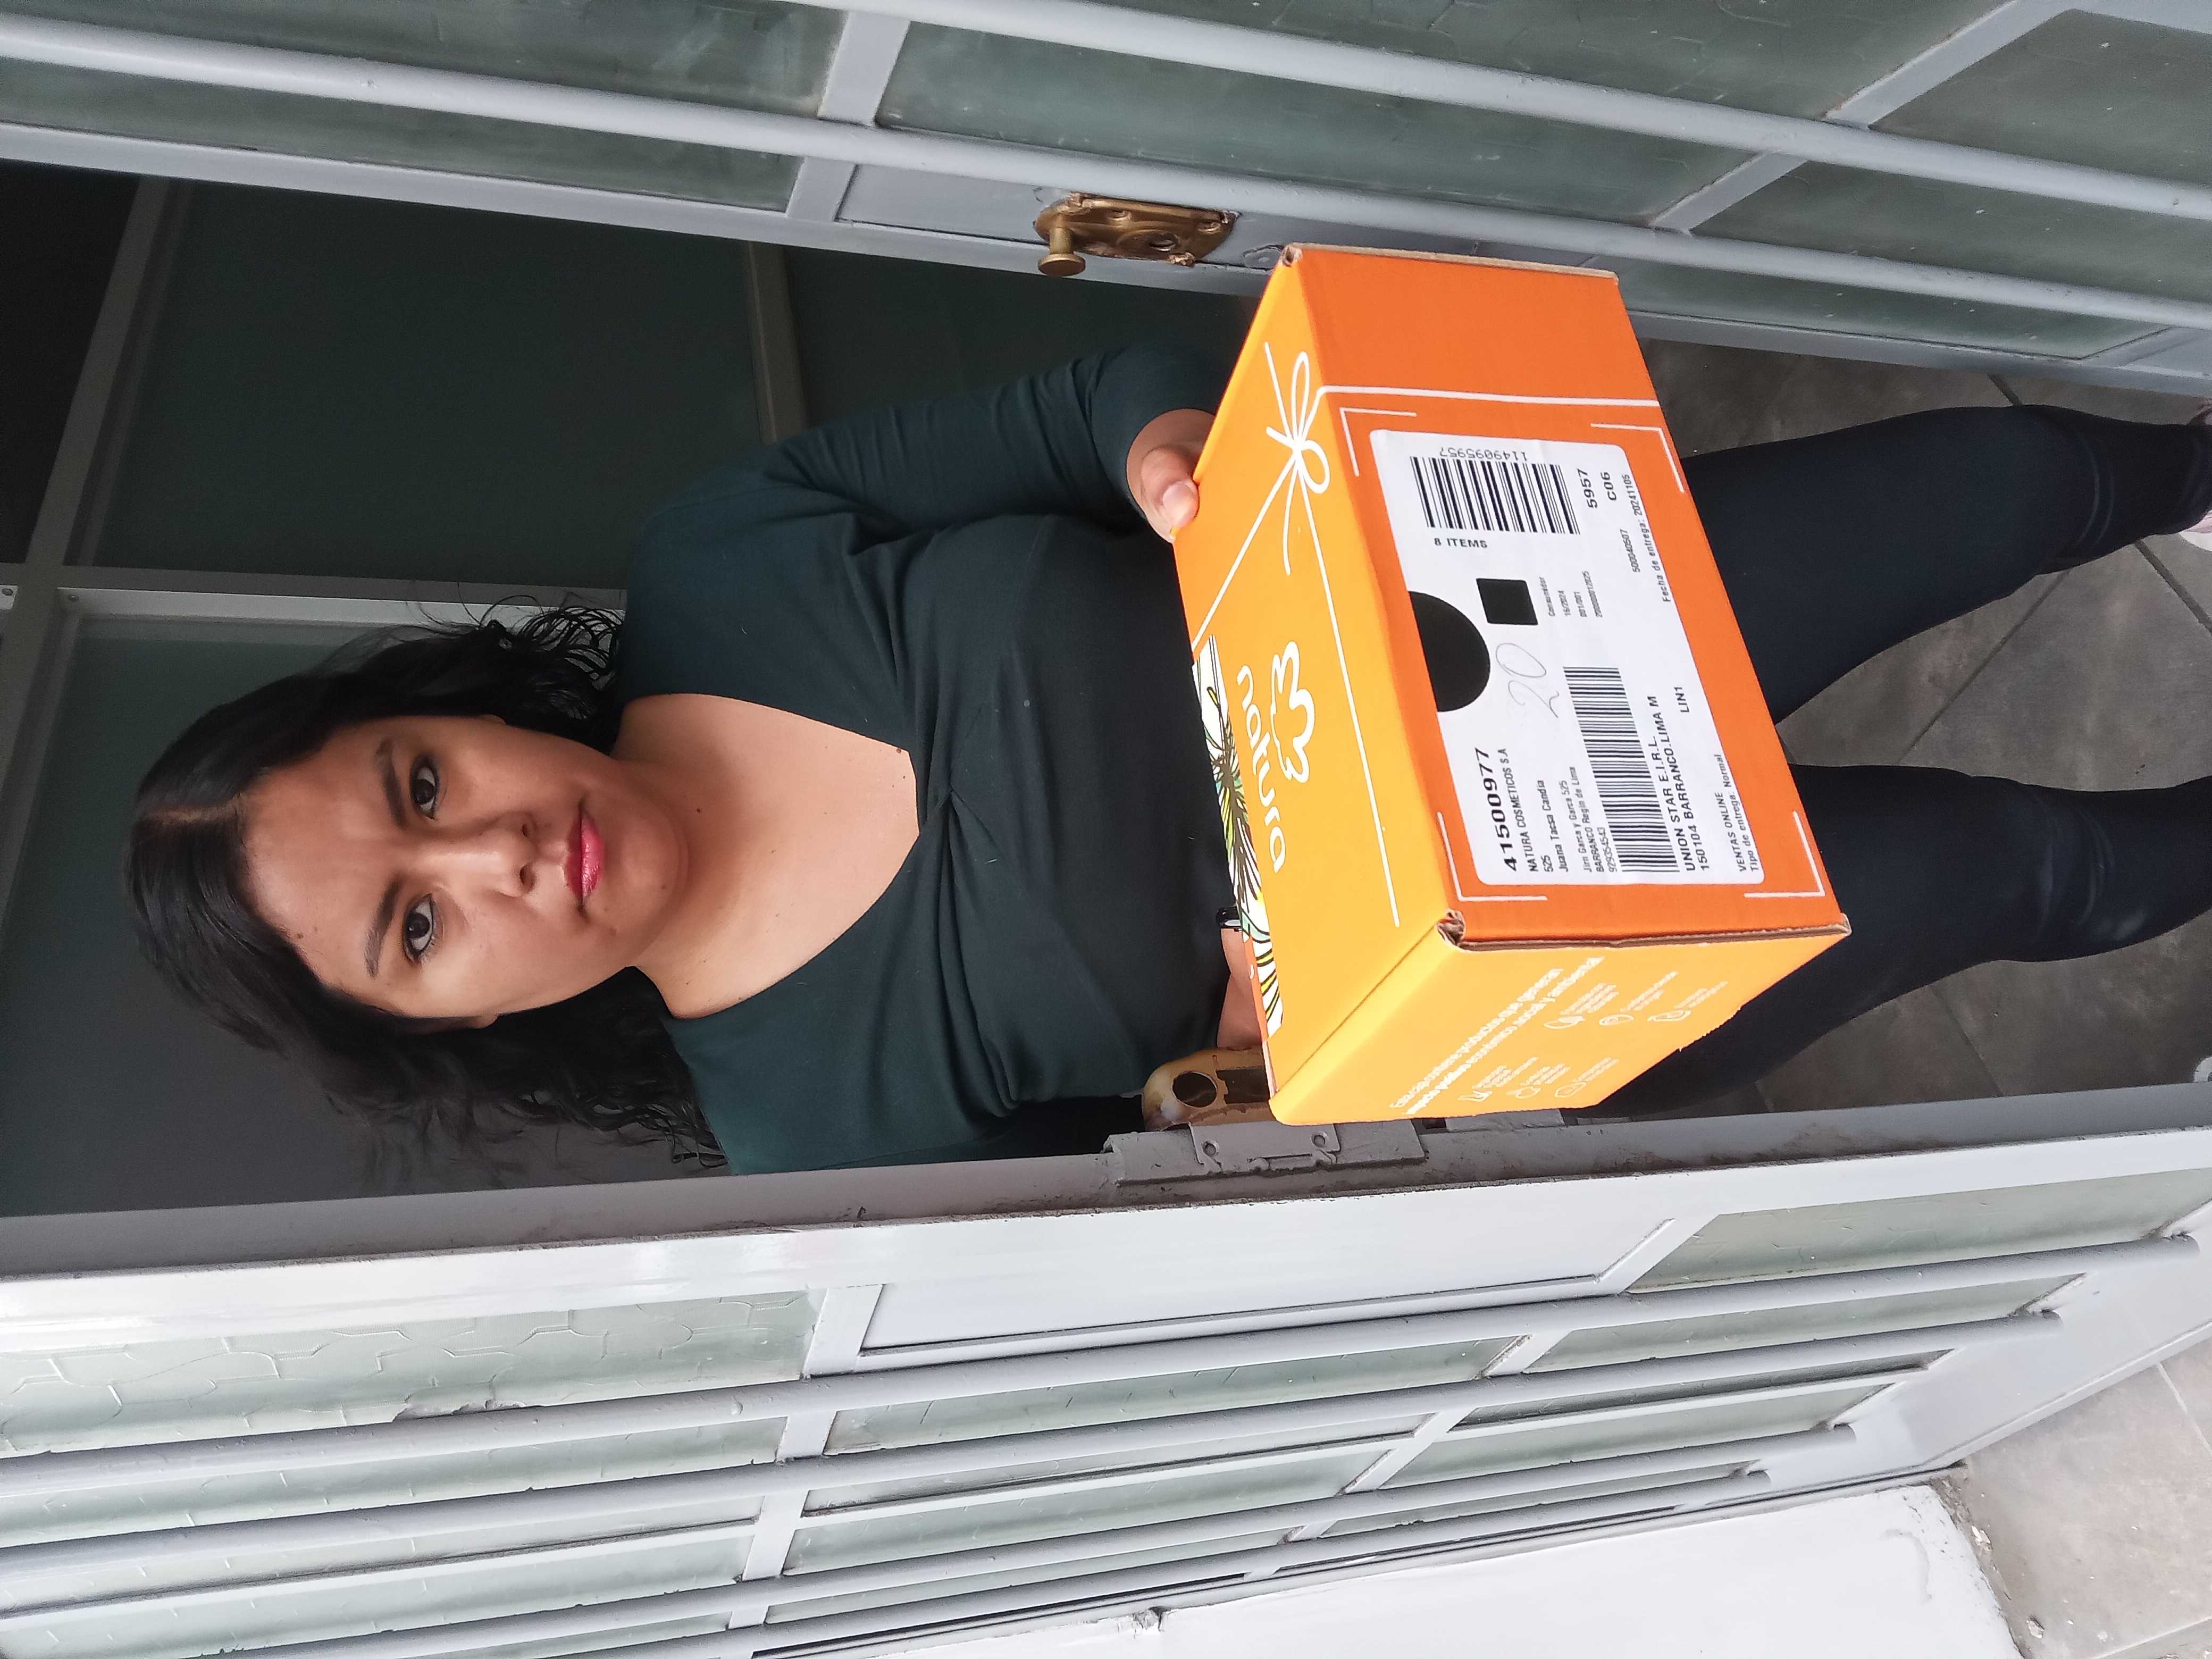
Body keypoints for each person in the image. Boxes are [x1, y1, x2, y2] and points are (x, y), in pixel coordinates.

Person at [125, 343, 2212, 1171]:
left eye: (418, 786)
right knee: (2024, 873)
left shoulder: (722, 560)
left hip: (1509, 623)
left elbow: (1072, 412)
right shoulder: (807, 1135)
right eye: (417, 929)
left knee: (2008, 480)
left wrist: (1162, 459)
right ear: (450, 1025)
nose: (492, 854)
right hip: (1518, 962)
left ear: (455, 707)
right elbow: (1194, 1208)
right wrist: (1256, 1093)